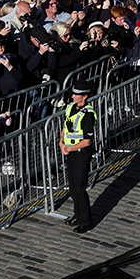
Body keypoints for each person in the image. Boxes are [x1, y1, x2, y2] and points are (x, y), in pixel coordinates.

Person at [59, 82, 96, 234]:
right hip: (70, 152)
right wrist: (61, 143)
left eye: (76, 94)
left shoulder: (88, 114)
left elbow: (87, 141)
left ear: (85, 97)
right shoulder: (70, 107)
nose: (72, 96)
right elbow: (65, 127)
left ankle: (86, 221)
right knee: (73, 187)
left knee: (80, 189)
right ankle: (77, 214)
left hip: (81, 153)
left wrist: (69, 148)